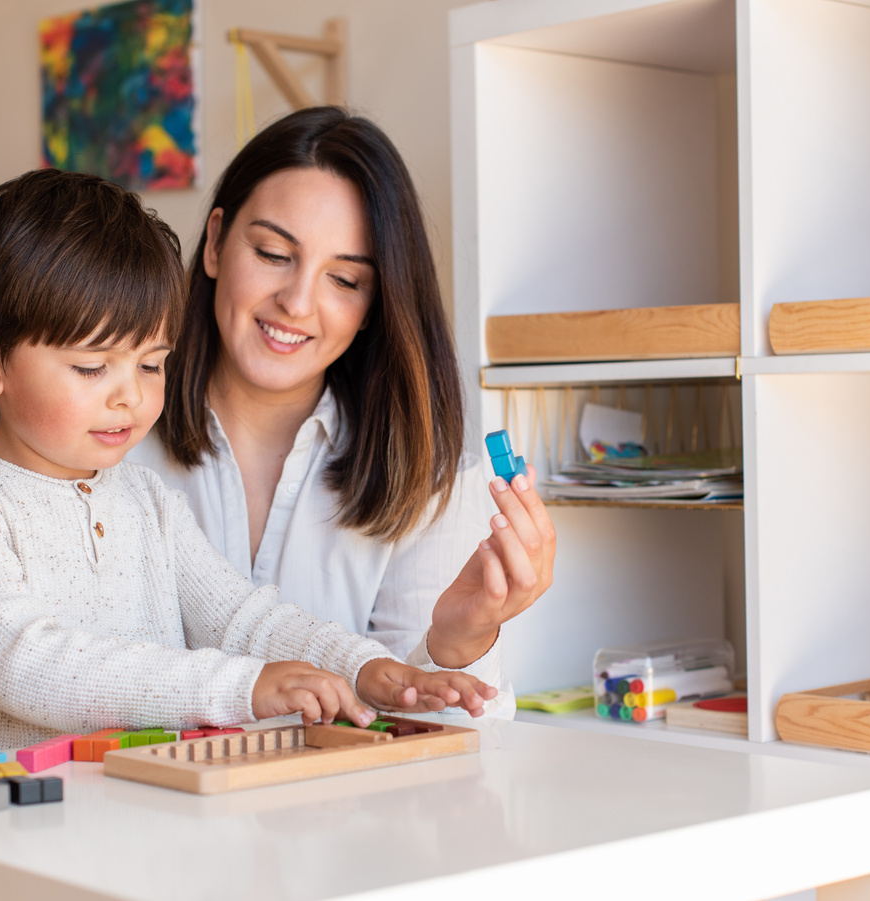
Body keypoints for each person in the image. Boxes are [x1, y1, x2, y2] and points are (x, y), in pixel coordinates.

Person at [0, 169, 495, 759]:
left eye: (151, 364)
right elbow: (27, 664)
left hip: (127, 814)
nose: (130, 396)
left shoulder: (146, 498)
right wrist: (241, 688)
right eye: (91, 367)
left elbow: (242, 618)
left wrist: (363, 669)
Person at [128, 107, 556, 719]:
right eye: (274, 253)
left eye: (345, 280)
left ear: (375, 303)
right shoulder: (109, 436)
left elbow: (443, 761)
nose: (297, 302)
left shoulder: (426, 477)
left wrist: (459, 644)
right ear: (217, 242)